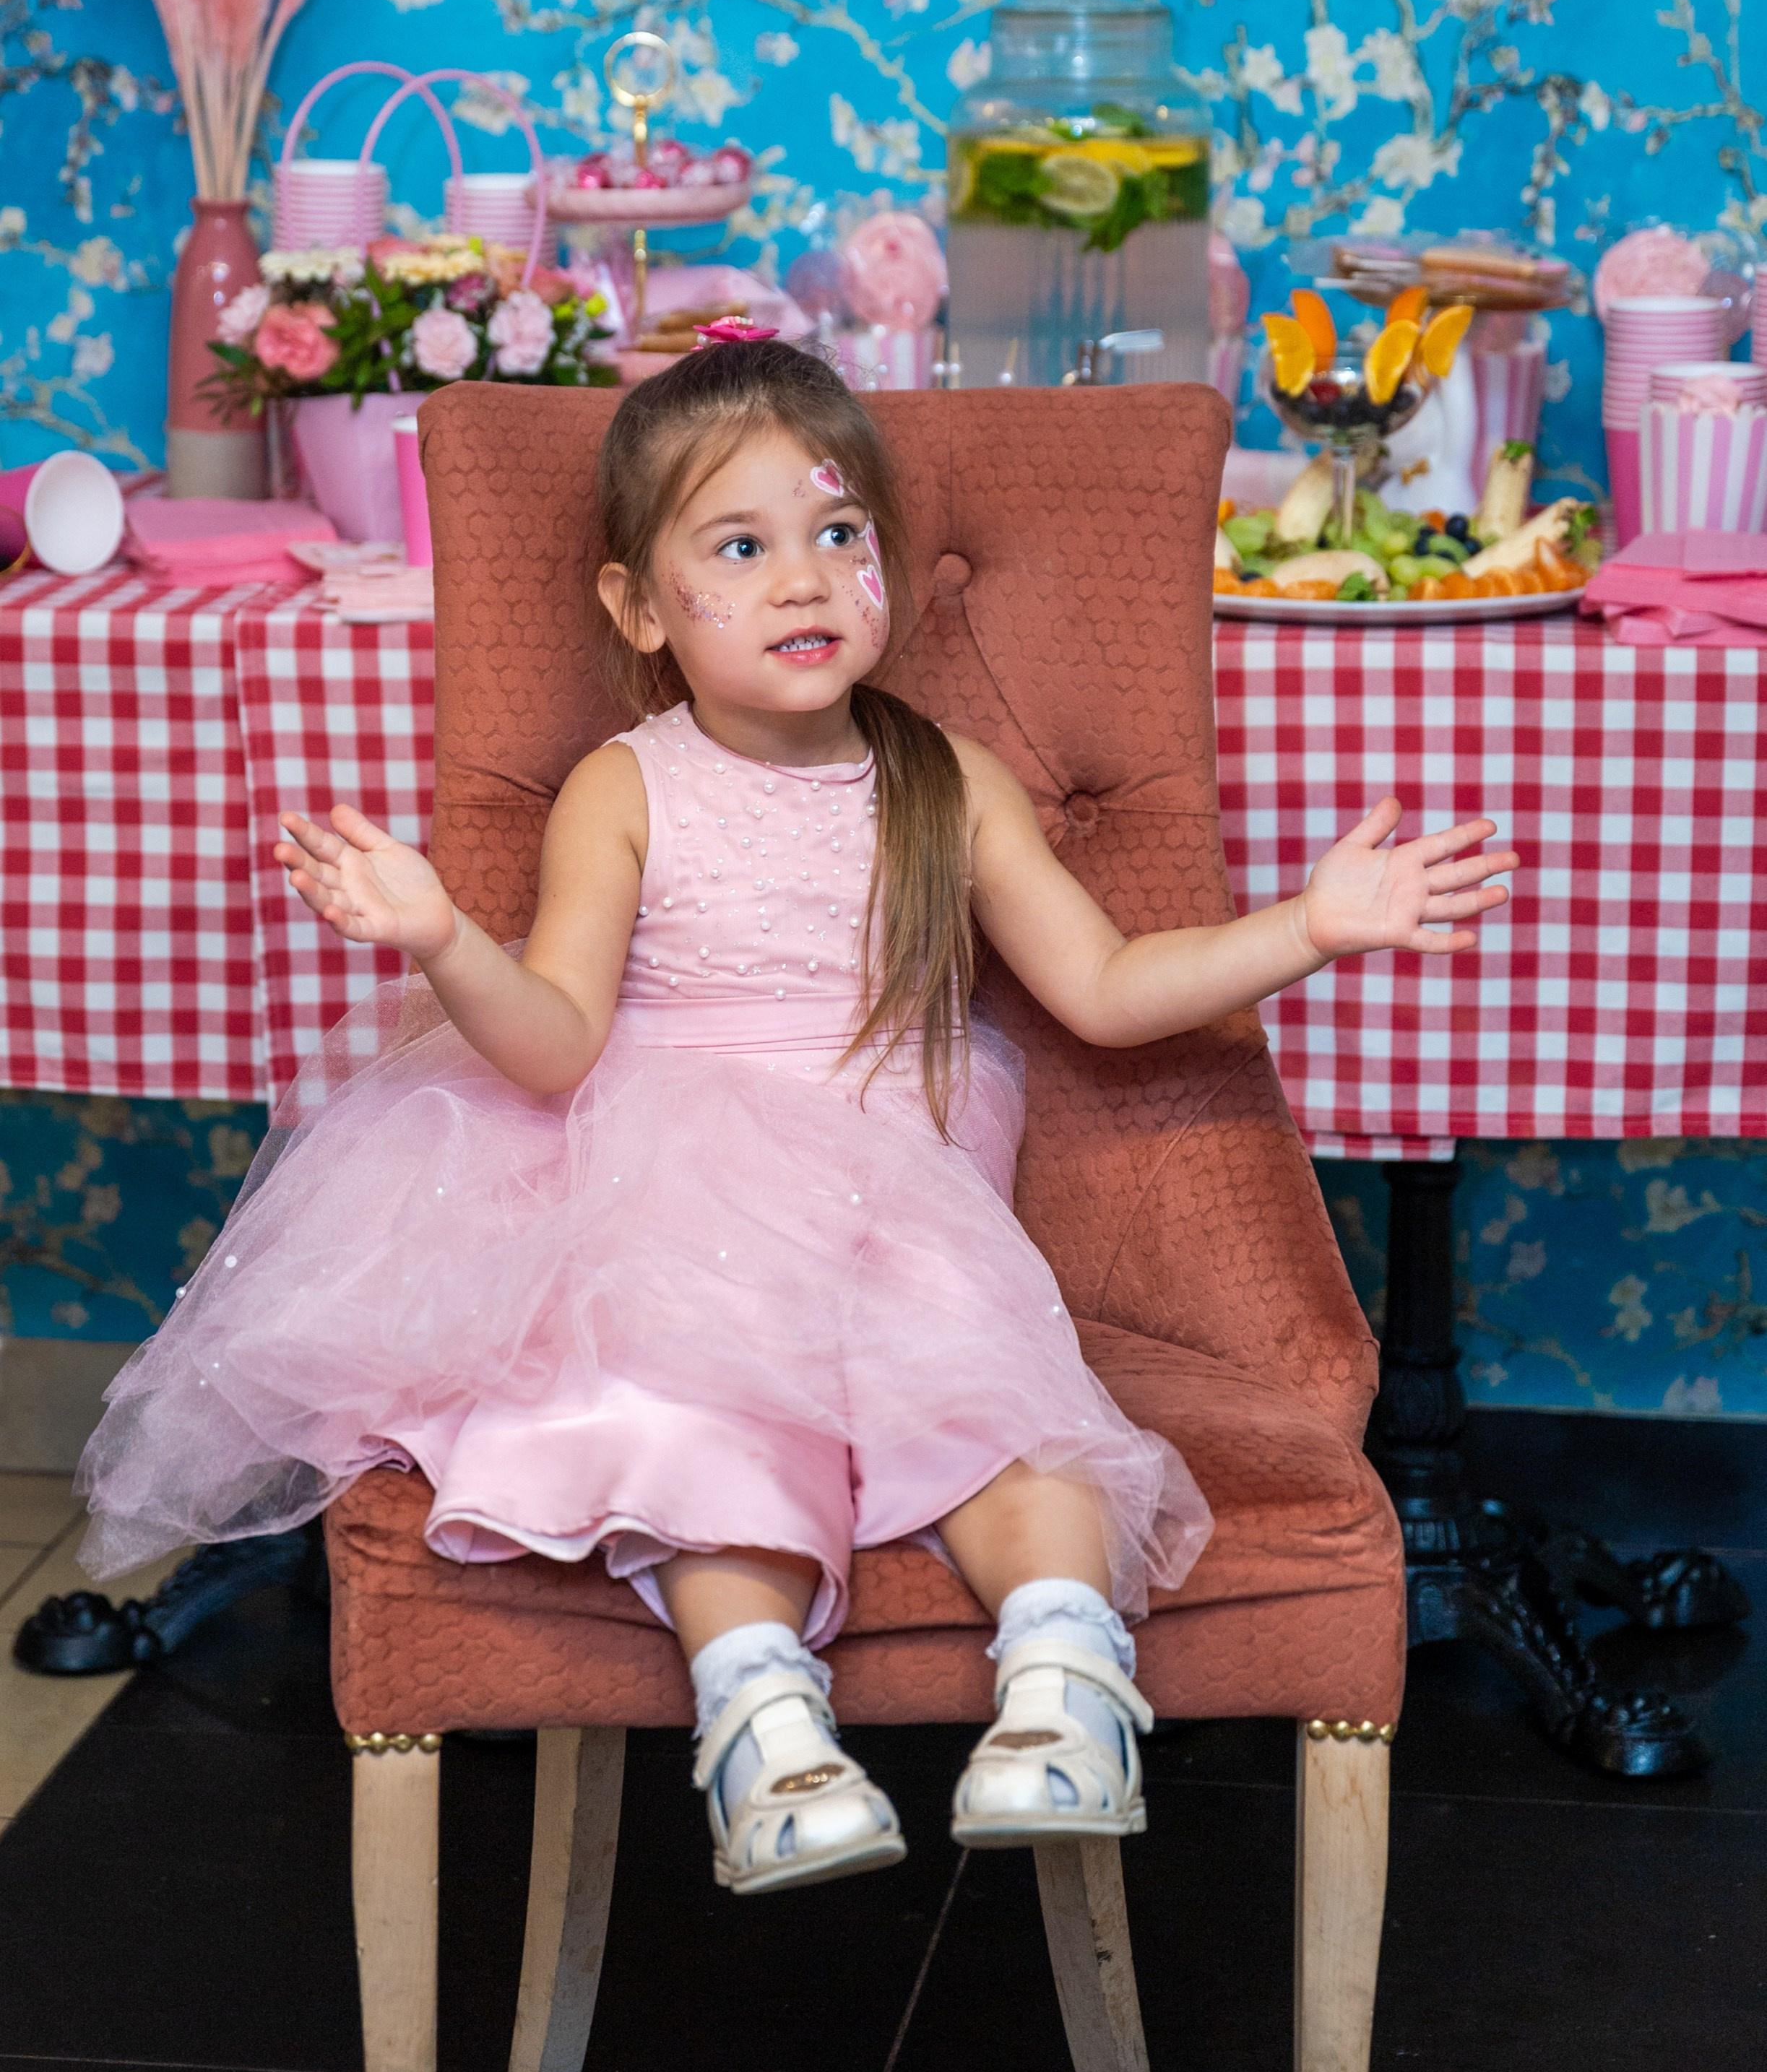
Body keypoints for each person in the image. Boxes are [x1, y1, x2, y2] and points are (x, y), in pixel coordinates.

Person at [77, 338, 1517, 1895]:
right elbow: (554, 1045)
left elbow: (1101, 985)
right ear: (638, 608)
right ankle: (761, 1723)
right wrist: (441, 936)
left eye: (838, 537)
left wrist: (1311, 923)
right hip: (667, 1202)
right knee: (707, 1439)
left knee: (997, 1415)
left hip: (895, 1207)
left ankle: (1062, 1684)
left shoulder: (940, 778)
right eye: (740, 548)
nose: (802, 580)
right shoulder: (623, 790)